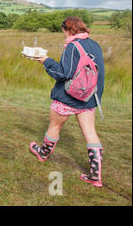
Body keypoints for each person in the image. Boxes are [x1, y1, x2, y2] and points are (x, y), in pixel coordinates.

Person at [30, 16, 105, 188]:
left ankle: (42, 154)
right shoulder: (95, 45)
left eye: (63, 31)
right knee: (90, 133)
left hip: (68, 97)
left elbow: (65, 74)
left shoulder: (73, 46)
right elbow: (98, 75)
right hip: (88, 98)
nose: (63, 34)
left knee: (54, 126)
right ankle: (96, 176)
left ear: (68, 30)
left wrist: (45, 61)